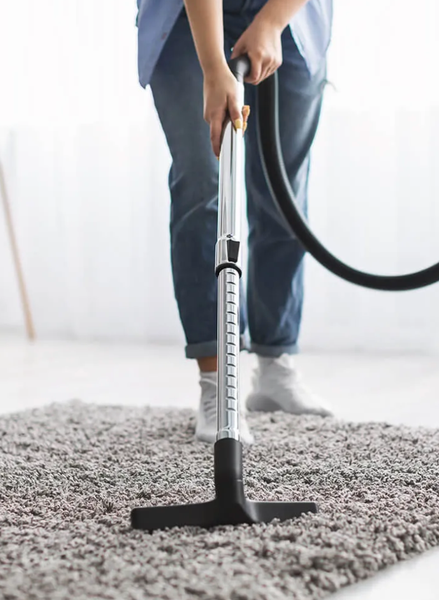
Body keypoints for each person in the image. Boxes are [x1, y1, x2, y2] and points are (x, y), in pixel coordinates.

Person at [136, 0, 333, 444]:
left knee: (283, 197)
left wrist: (272, 21)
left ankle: (275, 364)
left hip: (292, 20)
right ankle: (217, 382)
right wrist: (213, 66)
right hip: (189, 18)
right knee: (202, 190)